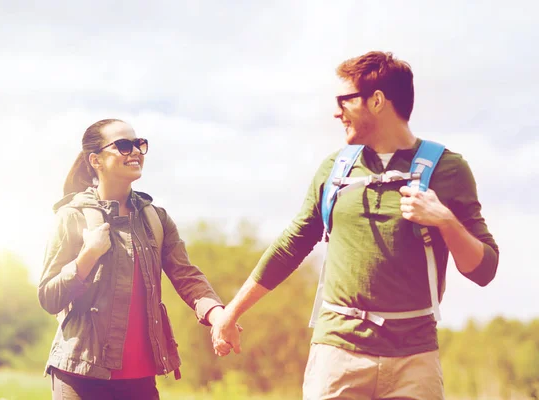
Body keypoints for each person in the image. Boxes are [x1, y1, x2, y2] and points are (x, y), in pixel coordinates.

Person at [211, 51, 499, 399]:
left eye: (344, 101)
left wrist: (445, 221)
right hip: (337, 355)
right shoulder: (334, 169)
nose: (336, 112)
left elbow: (484, 270)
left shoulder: (448, 170)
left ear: (377, 101)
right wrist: (231, 313)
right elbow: (291, 246)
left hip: (415, 360)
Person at [38, 119, 237, 400]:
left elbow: (187, 276)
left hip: (140, 381)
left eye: (139, 144)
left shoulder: (157, 219)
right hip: (79, 375)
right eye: (123, 145)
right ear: (95, 160)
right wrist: (87, 257)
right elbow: (48, 296)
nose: (135, 151)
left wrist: (218, 316)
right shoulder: (73, 216)